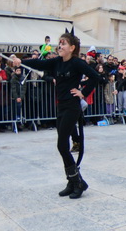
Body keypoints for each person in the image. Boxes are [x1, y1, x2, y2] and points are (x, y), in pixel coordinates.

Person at [12, 30, 101, 198]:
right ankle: (72, 181)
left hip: (72, 107)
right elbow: (39, 64)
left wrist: (83, 92)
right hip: (60, 107)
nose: (60, 46)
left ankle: (78, 182)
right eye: (59, 43)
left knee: (61, 145)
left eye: (63, 43)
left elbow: (95, 77)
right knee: (63, 145)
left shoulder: (77, 63)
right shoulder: (57, 62)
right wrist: (21, 61)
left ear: (72, 47)